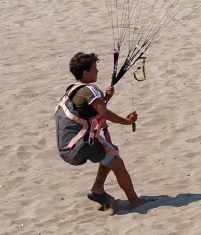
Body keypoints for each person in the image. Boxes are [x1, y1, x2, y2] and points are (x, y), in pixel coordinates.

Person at [60, 52, 142, 211]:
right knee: (117, 162)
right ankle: (135, 202)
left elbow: (90, 111)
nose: (97, 71)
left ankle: (98, 189)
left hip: (66, 147)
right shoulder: (91, 91)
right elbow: (104, 113)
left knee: (112, 153)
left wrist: (105, 99)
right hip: (80, 145)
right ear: (85, 73)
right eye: (94, 68)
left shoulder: (73, 90)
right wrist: (127, 122)